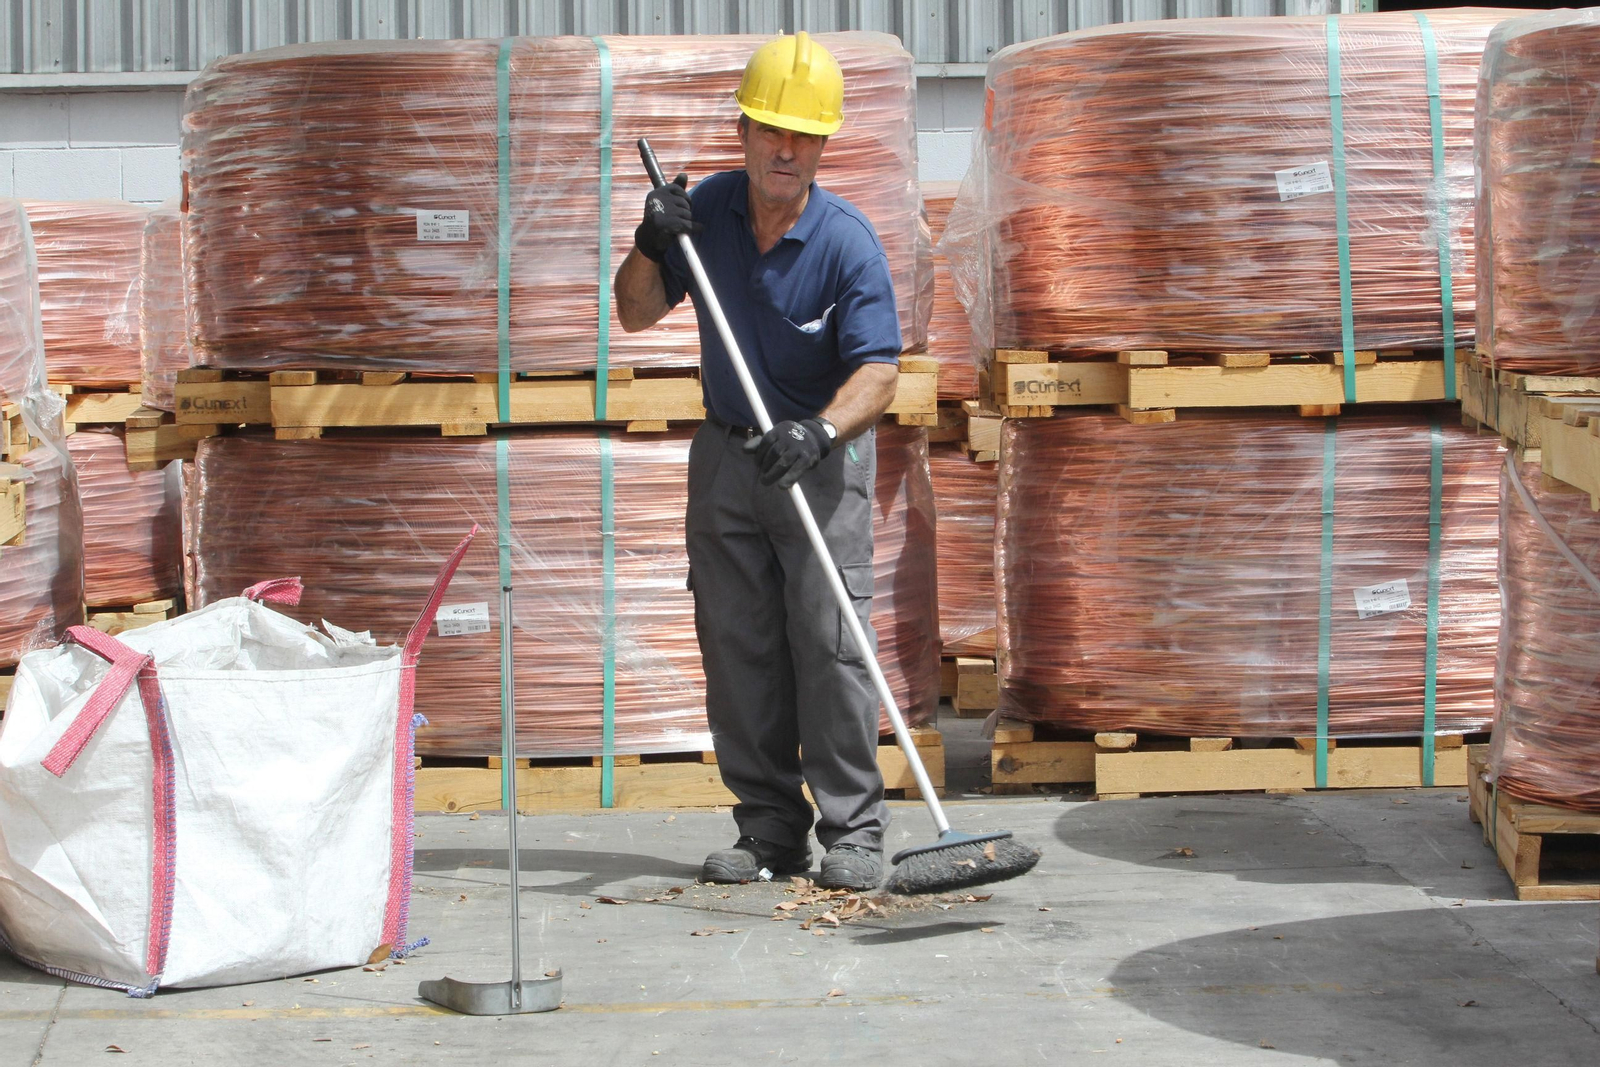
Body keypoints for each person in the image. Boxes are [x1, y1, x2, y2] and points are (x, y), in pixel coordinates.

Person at [614, 32, 902, 891]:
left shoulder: (847, 241)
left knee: (828, 643)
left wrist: (818, 431)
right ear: (743, 129)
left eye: (806, 136)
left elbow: (879, 371)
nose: (788, 150)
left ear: (824, 144)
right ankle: (770, 827)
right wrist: (651, 243)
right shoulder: (704, 218)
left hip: (817, 461)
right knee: (737, 645)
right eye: (774, 130)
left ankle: (853, 830)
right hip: (728, 460)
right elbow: (632, 313)